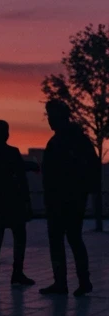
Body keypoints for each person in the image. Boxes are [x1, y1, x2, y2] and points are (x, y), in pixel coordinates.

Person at [40, 99, 98, 296]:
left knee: (61, 240)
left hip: (63, 198)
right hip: (73, 198)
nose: (49, 121)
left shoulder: (61, 142)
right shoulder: (78, 139)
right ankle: (80, 281)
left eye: (51, 116)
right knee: (73, 239)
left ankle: (64, 282)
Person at [0, 120, 34, 287]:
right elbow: (21, 178)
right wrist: (26, 201)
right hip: (13, 201)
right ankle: (17, 272)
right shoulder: (13, 152)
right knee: (19, 237)